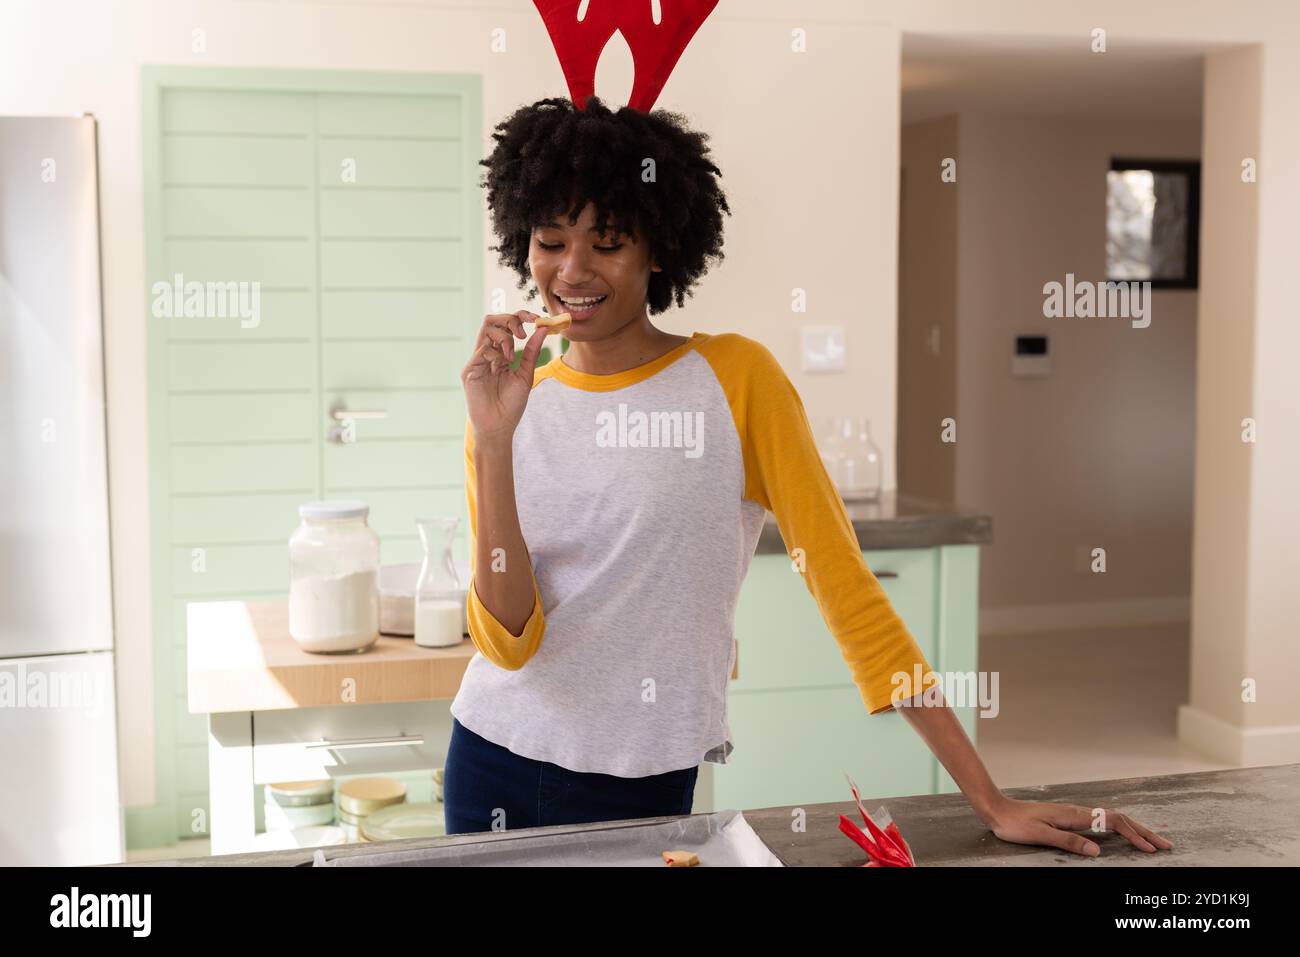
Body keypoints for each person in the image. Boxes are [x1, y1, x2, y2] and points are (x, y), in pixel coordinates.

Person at [443, 95, 1172, 859]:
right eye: (550, 241)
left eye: (608, 242)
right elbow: (507, 641)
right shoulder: (513, 405)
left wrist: (987, 797)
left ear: (659, 249)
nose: (572, 270)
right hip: (493, 756)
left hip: (647, 776)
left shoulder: (735, 378)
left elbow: (843, 581)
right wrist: (494, 443)